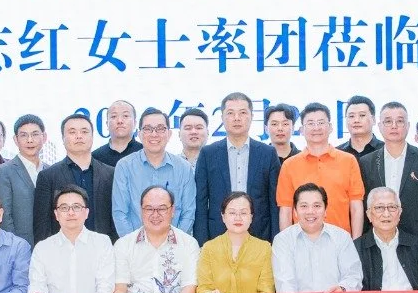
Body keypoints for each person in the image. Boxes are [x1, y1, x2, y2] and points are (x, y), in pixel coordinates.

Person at [195, 91, 282, 244]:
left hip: (259, 236)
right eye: (230, 113)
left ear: (252, 116)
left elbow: (275, 203)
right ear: (222, 117)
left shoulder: (268, 153)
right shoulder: (208, 153)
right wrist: (202, 242)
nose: (236, 118)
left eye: (242, 112)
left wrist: (276, 241)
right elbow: (201, 203)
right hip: (218, 236)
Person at [276, 102, 365, 237]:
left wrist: (356, 243)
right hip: (301, 242)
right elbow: (286, 210)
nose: (316, 128)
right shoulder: (289, 165)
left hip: (340, 241)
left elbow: (356, 206)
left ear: (330, 127)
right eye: (310, 123)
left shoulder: (348, 161)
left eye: (321, 122)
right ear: (301, 130)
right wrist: (287, 243)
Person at [360, 101, 418, 243]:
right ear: (379, 126)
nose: (394, 126)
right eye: (388, 121)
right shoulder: (367, 162)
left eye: (400, 121)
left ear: (408, 126)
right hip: (378, 241)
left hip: (417, 242)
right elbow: (364, 207)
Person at [112, 108, 196, 236]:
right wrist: (133, 243)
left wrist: (174, 242)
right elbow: (120, 213)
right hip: (134, 244)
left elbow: (188, 214)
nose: (154, 134)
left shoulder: (184, 168)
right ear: (139, 134)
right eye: (148, 129)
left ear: (169, 134)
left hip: (175, 245)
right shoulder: (124, 166)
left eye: (160, 129)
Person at [34, 113, 118, 242]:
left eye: (84, 132)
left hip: (103, 248)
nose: (79, 136)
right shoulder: (47, 176)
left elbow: (116, 217)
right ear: (63, 138)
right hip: (63, 249)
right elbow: (42, 226)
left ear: (92, 137)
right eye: (72, 132)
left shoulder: (111, 174)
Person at [356, 187, 418, 291]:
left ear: (400, 213)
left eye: (392, 207)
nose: (386, 214)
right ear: (369, 214)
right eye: (379, 207)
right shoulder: (356, 250)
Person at [0, 114, 45, 244]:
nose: (30, 140)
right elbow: (4, 218)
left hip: (50, 246)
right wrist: (15, 248)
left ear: (44, 137)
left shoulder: (51, 170)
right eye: (23, 135)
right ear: (16, 140)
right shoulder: (3, 172)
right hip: (19, 246)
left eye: (35, 134)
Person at [93, 99, 142, 167]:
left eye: (125, 116)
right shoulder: (95, 157)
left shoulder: (145, 153)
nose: (120, 121)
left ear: (135, 123)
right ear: (107, 124)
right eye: (114, 116)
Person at [337, 94, 383, 160]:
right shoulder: (337, 153)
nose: (356, 120)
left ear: (373, 120)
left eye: (362, 115)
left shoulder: (386, 150)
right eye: (351, 116)